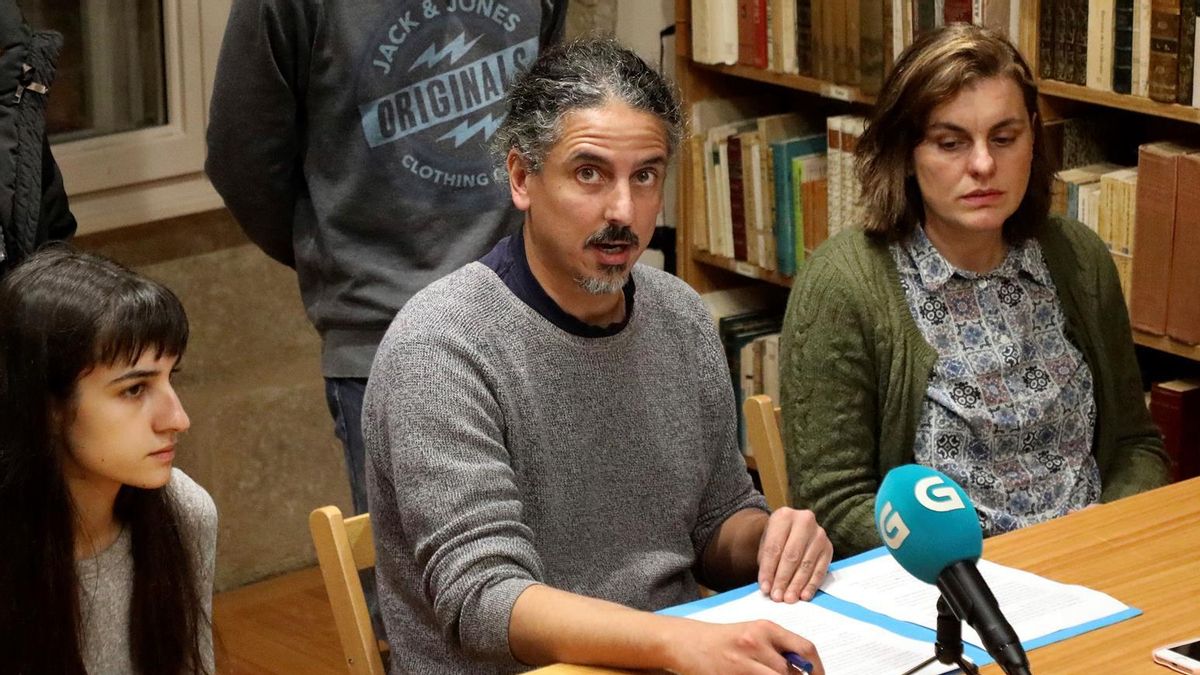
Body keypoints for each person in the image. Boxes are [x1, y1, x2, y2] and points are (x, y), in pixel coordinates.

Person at [364, 38, 831, 674]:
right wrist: (677, 643)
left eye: (646, 175)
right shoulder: (442, 345)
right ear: (522, 178)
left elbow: (715, 520)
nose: (623, 211)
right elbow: (483, 602)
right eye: (589, 173)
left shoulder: (680, 315)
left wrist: (768, 543)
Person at [780, 24, 1170, 557]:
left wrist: (1106, 527)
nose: (984, 164)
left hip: (1093, 562)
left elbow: (1135, 445)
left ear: (1033, 139)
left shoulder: (1078, 258)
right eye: (951, 143)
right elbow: (836, 504)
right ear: (907, 152)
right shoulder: (844, 284)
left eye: (1004, 138)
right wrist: (977, 570)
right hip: (946, 583)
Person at [206, 0, 568, 519]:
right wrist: (341, 254)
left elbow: (550, 124)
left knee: (560, 553)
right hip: (380, 336)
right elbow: (243, 161)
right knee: (426, 568)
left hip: (527, 317)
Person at [0, 247, 217, 674]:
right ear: (47, 407)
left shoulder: (185, 512)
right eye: (134, 389)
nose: (178, 419)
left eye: (170, 377)